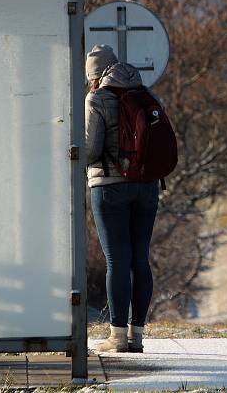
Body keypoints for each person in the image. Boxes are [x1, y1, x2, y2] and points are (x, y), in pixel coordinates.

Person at [85, 44, 160, 353]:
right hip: (147, 186)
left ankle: (117, 337)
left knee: (117, 259)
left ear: (94, 75)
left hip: (109, 186)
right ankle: (137, 335)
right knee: (140, 258)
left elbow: (89, 150)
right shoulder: (146, 94)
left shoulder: (97, 98)